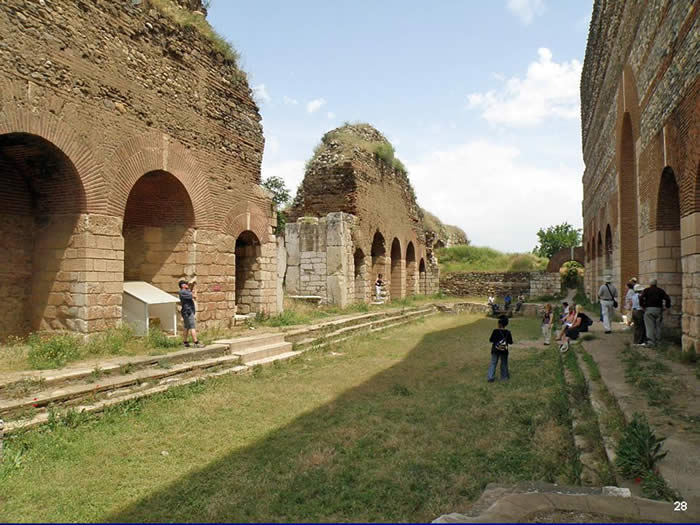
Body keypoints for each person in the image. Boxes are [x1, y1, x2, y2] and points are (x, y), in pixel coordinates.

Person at [640, 279, 671, 347]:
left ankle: (651, 342)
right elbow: (667, 298)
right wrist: (667, 306)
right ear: (656, 284)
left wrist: (643, 306)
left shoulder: (646, 290)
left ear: (650, 284)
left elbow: (641, 298)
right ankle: (658, 341)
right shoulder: (661, 291)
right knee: (658, 326)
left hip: (649, 309)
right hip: (658, 309)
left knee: (649, 326)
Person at [487, 314, 513, 382]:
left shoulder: (495, 331)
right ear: (506, 324)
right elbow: (510, 342)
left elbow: (491, 340)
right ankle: (504, 377)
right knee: (504, 363)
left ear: (499, 323)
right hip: (504, 350)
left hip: (495, 349)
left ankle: (490, 377)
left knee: (493, 363)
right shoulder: (508, 332)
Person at [178, 279, 203, 348]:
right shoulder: (183, 292)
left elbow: (191, 292)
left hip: (187, 311)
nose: (187, 285)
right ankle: (196, 342)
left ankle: (185, 342)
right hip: (188, 311)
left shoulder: (185, 291)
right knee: (192, 326)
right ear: (182, 285)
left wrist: (193, 285)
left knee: (187, 327)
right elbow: (194, 296)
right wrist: (195, 289)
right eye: (185, 284)